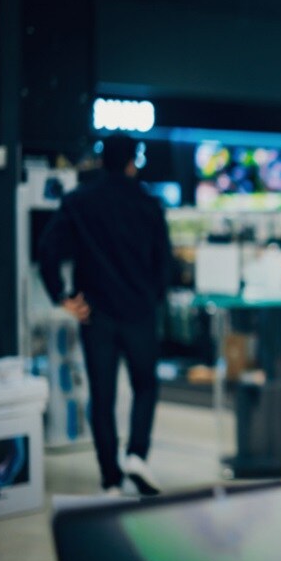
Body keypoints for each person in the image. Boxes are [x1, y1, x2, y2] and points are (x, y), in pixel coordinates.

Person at [39, 134, 170, 495]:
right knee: (146, 386)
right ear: (132, 161)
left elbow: (48, 250)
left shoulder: (78, 202)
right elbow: (164, 265)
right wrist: (153, 297)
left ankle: (110, 479)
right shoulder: (149, 205)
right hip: (139, 313)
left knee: (103, 395)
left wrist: (62, 298)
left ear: (102, 161)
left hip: (95, 314)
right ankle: (136, 456)